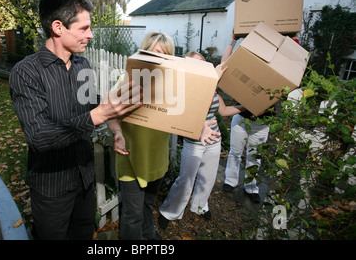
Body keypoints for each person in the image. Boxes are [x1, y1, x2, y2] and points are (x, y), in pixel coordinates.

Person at [9, 0, 142, 240]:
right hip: (52, 187)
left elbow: (94, 105)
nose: (90, 35)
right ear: (58, 27)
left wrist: (116, 131)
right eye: (84, 28)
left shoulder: (83, 65)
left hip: (84, 178)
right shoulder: (26, 72)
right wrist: (98, 115)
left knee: (82, 233)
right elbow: (39, 136)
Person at [157, 51, 245, 229]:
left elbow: (224, 111)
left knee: (208, 178)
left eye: (201, 63)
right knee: (186, 180)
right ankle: (169, 211)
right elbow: (192, 110)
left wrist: (247, 107)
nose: (198, 67)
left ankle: (200, 206)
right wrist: (212, 81)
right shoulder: (184, 89)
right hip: (194, 141)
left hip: (214, 141)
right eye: (193, 63)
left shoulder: (212, 87)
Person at [106, 31, 177, 240]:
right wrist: (117, 132)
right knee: (132, 214)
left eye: (165, 55)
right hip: (132, 158)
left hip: (157, 158)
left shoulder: (173, 87)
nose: (159, 59)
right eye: (155, 53)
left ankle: (148, 232)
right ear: (144, 52)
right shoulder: (127, 80)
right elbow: (110, 114)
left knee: (147, 203)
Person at [221, 32, 270, 203]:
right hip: (241, 119)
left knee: (255, 156)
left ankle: (251, 187)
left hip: (262, 123)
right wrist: (232, 40)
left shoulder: (274, 72)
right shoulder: (247, 68)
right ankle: (230, 181)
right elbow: (224, 65)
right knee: (235, 152)